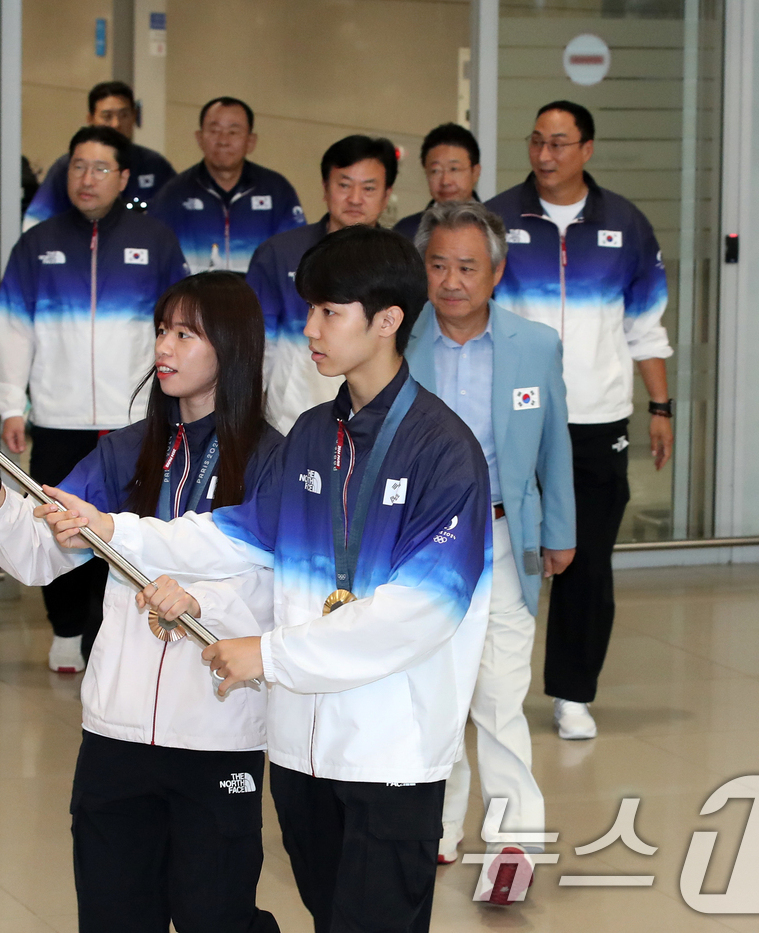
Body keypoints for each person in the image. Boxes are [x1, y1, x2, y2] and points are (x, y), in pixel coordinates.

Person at [43, 226, 493, 933]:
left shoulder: (445, 451)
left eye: (328, 312)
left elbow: (420, 612)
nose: (309, 328)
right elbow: (228, 534)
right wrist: (111, 528)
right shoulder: (315, 433)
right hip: (301, 755)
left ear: (387, 321)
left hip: (390, 755)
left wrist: (268, 654)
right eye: (309, 309)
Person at [0, 272, 282, 933]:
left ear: (233, 346)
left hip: (218, 732)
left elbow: (271, 584)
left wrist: (198, 600)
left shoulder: (273, 458)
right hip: (116, 732)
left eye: (187, 333)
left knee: (215, 916)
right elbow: (38, 555)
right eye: (162, 330)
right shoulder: (126, 452)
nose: (166, 346)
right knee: (112, 915)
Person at [486, 100, 674, 741]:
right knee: (502, 555)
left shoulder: (626, 223)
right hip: (515, 417)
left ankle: (573, 694)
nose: (545, 154)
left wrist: (661, 406)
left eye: (559, 143)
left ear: (587, 149)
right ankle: (486, 690)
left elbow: (645, 327)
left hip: (597, 418)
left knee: (585, 560)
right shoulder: (498, 218)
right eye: (537, 141)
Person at [404, 200, 575, 901]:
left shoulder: (534, 345)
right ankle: (438, 826)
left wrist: (559, 528)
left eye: (467, 266)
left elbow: (557, 444)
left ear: (497, 271)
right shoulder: (396, 340)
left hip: (507, 536)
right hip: (421, 543)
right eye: (438, 264)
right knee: (432, 691)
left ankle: (513, 842)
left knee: (501, 695)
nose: (452, 280)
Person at [0, 125, 188, 673]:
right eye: (77, 166)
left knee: (121, 528)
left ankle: (107, 632)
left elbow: (180, 330)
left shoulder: (159, 242)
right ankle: (65, 628)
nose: (87, 178)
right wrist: (9, 403)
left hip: (133, 420)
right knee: (54, 522)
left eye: (101, 168)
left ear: (123, 177)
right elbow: (13, 328)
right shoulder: (37, 243)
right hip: (58, 414)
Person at [248, 135, 398, 433]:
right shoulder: (279, 253)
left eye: (368, 188)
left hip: (378, 426)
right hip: (288, 423)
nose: (355, 198)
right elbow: (254, 349)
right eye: (344, 185)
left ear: (386, 194)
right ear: (325, 189)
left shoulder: (400, 262)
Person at [148, 97, 304, 274]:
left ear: (250, 141)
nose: (223, 140)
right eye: (214, 130)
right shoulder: (172, 194)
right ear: (199, 138)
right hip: (193, 299)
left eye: (233, 131)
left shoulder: (277, 190)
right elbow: (156, 257)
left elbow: (294, 253)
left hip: (258, 300)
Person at [23, 81, 177, 231]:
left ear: (134, 116)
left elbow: (178, 217)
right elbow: (35, 223)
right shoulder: (67, 166)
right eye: (107, 116)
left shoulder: (155, 165)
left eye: (124, 115)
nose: (116, 124)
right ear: (90, 119)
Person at [392, 122, 481, 240]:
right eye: (435, 171)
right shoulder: (405, 232)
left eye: (454, 169)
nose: (445, 181)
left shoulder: (498, 228)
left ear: (475, 172)